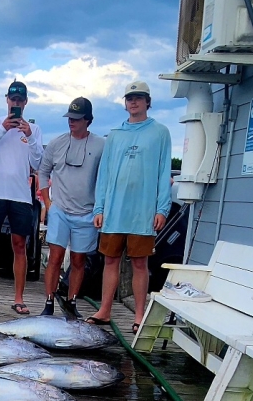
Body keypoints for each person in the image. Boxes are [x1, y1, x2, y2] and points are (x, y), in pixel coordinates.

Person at [87, 80, 172, 330]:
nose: (133, 102)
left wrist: (162, 209)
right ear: (125, 104)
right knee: (110, 260)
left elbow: (163, 171)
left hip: (143, 212)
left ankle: (138, 316)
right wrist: (99, 208)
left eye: (139, 97)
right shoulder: (114, 135)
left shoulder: (160, 132)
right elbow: (103, 174)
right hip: (114, 211)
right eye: (129, 98)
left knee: (139, 263)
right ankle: (104, 310)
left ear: (148, 101)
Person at [0, 80, 43, 314]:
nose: (16, 103)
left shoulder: (34, 128)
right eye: (12, 99)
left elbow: (38, 163)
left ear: (25, 102)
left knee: (20, 245)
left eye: (20, 99)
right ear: (7, 100)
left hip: (21, 196)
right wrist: (3, 128)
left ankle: (19, 298)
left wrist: (30, 136)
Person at [37, 96, 104, 318]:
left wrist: (100, 209)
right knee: (55, 256)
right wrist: (47, 201)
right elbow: (43, 171)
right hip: (60, 210)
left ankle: (72, 301)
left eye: (76, 118)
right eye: (69, 117)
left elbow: (106, 177)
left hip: (86, 212)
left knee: (78, 259)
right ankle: (48, 302)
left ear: (87, 120)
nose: (71, 121)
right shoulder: (56, 143)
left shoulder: (101, 145)